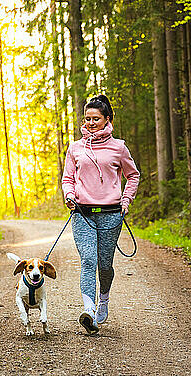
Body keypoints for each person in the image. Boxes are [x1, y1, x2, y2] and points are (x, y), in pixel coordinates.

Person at [61, 95, 140, 334]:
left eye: (96, 118)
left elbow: (133, 175)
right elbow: (67, 179)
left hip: (111, 215)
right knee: (87, 260)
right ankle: (89, 311)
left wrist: (126, 200)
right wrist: (69, 195)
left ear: (108, 119)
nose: (91, 123)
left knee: (104, 265)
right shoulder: (75, 147)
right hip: (82, 213)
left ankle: (103, 300)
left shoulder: (119, 147)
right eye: (88, 119)